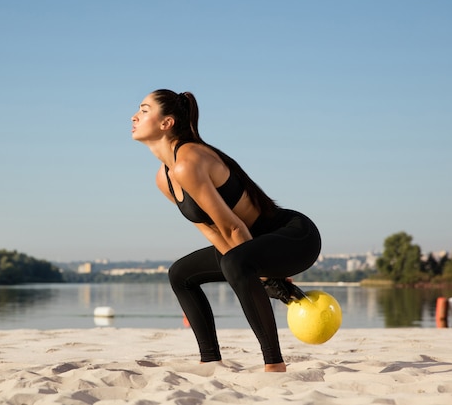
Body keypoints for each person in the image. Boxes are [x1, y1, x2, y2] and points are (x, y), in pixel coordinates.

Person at [131, 89, 321, 372]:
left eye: (144, 110)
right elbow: (211, 231)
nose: (134, 116)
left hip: (294, 237)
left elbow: (233, 227)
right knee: (180, 274)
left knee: (236, 260)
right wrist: (260, 275)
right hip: (251, 245)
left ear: (166, 123)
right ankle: (210, 359)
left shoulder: (189, 160)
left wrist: (269, 278)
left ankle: (274, 363)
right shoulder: (164, 178)